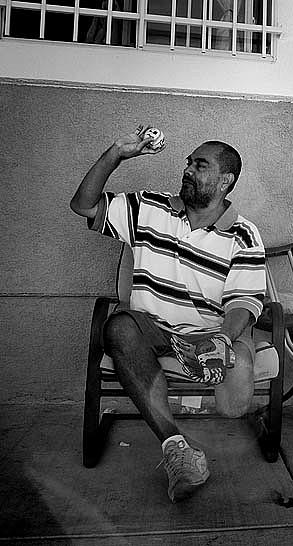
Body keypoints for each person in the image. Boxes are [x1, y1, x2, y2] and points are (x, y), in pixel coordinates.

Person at [70, 126, 266, 502]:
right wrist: (116, 154)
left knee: (233, 404)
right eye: (189, 162)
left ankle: (235, 360)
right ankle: (177, 448)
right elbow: (83, 205)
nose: (188, 170)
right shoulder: (149, 208)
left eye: (200, 165)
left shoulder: (243, 234)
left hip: (204, 335)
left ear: (226, 180)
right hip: (151, 329)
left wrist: (223, 338)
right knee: (119, 326)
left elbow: (243, 300)